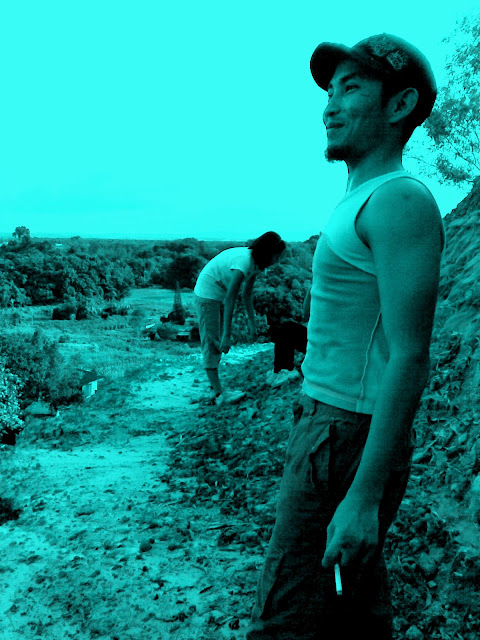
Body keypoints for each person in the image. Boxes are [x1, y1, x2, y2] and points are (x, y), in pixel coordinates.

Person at [247, 34, 445, 639]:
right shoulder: (360, 197)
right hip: (327, 423)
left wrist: (362, 497)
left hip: (345, 433)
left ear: (400, 104)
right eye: (329, 92)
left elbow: (410, 355)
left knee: (284, 619)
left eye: (351, 88)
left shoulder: (399, 201)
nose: (329, 106)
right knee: (349, 605)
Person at [194, 231, 286, 405]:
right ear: (268, 253)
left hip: (218, 294)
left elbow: (246, 294)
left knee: (216, 341)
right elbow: (231, 298)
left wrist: (253, 323)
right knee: (212, 341)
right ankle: (219, 395)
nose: (278, 260)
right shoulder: (243, 262)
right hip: (207, 294)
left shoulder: (256, 264)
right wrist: (226, 336)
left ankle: (215, 388)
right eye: (277, 256)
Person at [265, 287, 310, 388]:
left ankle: (287, 369)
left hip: (326, 344)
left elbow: (305, 313)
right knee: (283, 328)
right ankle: (279, 369)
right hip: (321, 340)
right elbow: (305, 314)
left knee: (288, 328)